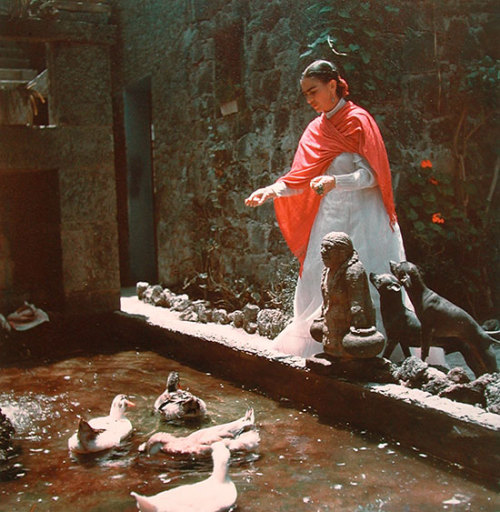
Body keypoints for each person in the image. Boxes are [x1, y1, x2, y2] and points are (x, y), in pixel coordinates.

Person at [245, 59, 407, 359]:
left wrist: (336, 181)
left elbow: (372, 176)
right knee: (318, 276)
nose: (309, 99)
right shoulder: (315, 130)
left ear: (333, 85)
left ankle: (375, 348)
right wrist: (271, 190)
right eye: (305, 94)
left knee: (368, 274)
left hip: (363, 216)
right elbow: (301, 177)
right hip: (330, 217)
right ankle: (322, 344)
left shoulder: (359, 120)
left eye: (313, 91)